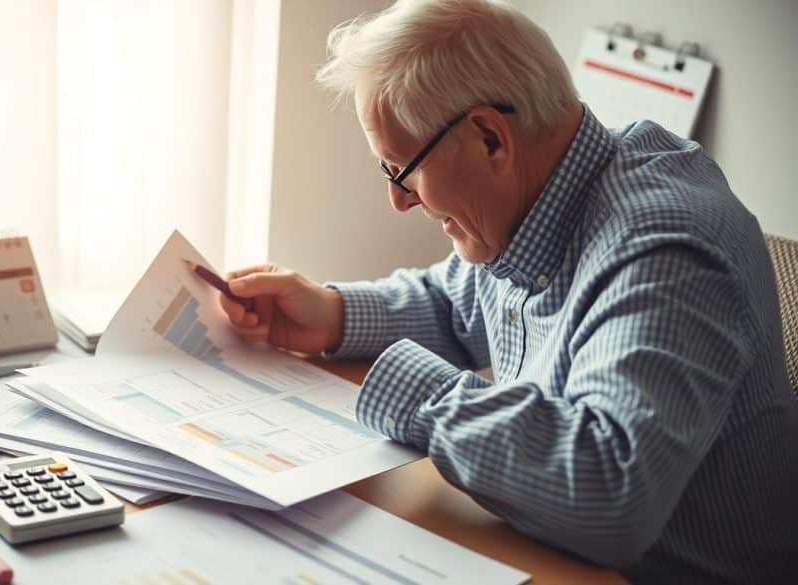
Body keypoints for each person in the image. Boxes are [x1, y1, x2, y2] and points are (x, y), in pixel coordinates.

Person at [217, 1, 798, 583]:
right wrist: (333, 312)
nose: (399, 200)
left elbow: (610, 492)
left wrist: (416, 391)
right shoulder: (542, 195)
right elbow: (457, 305)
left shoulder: (666, 248)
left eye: (402, 169)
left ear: (490, 138)